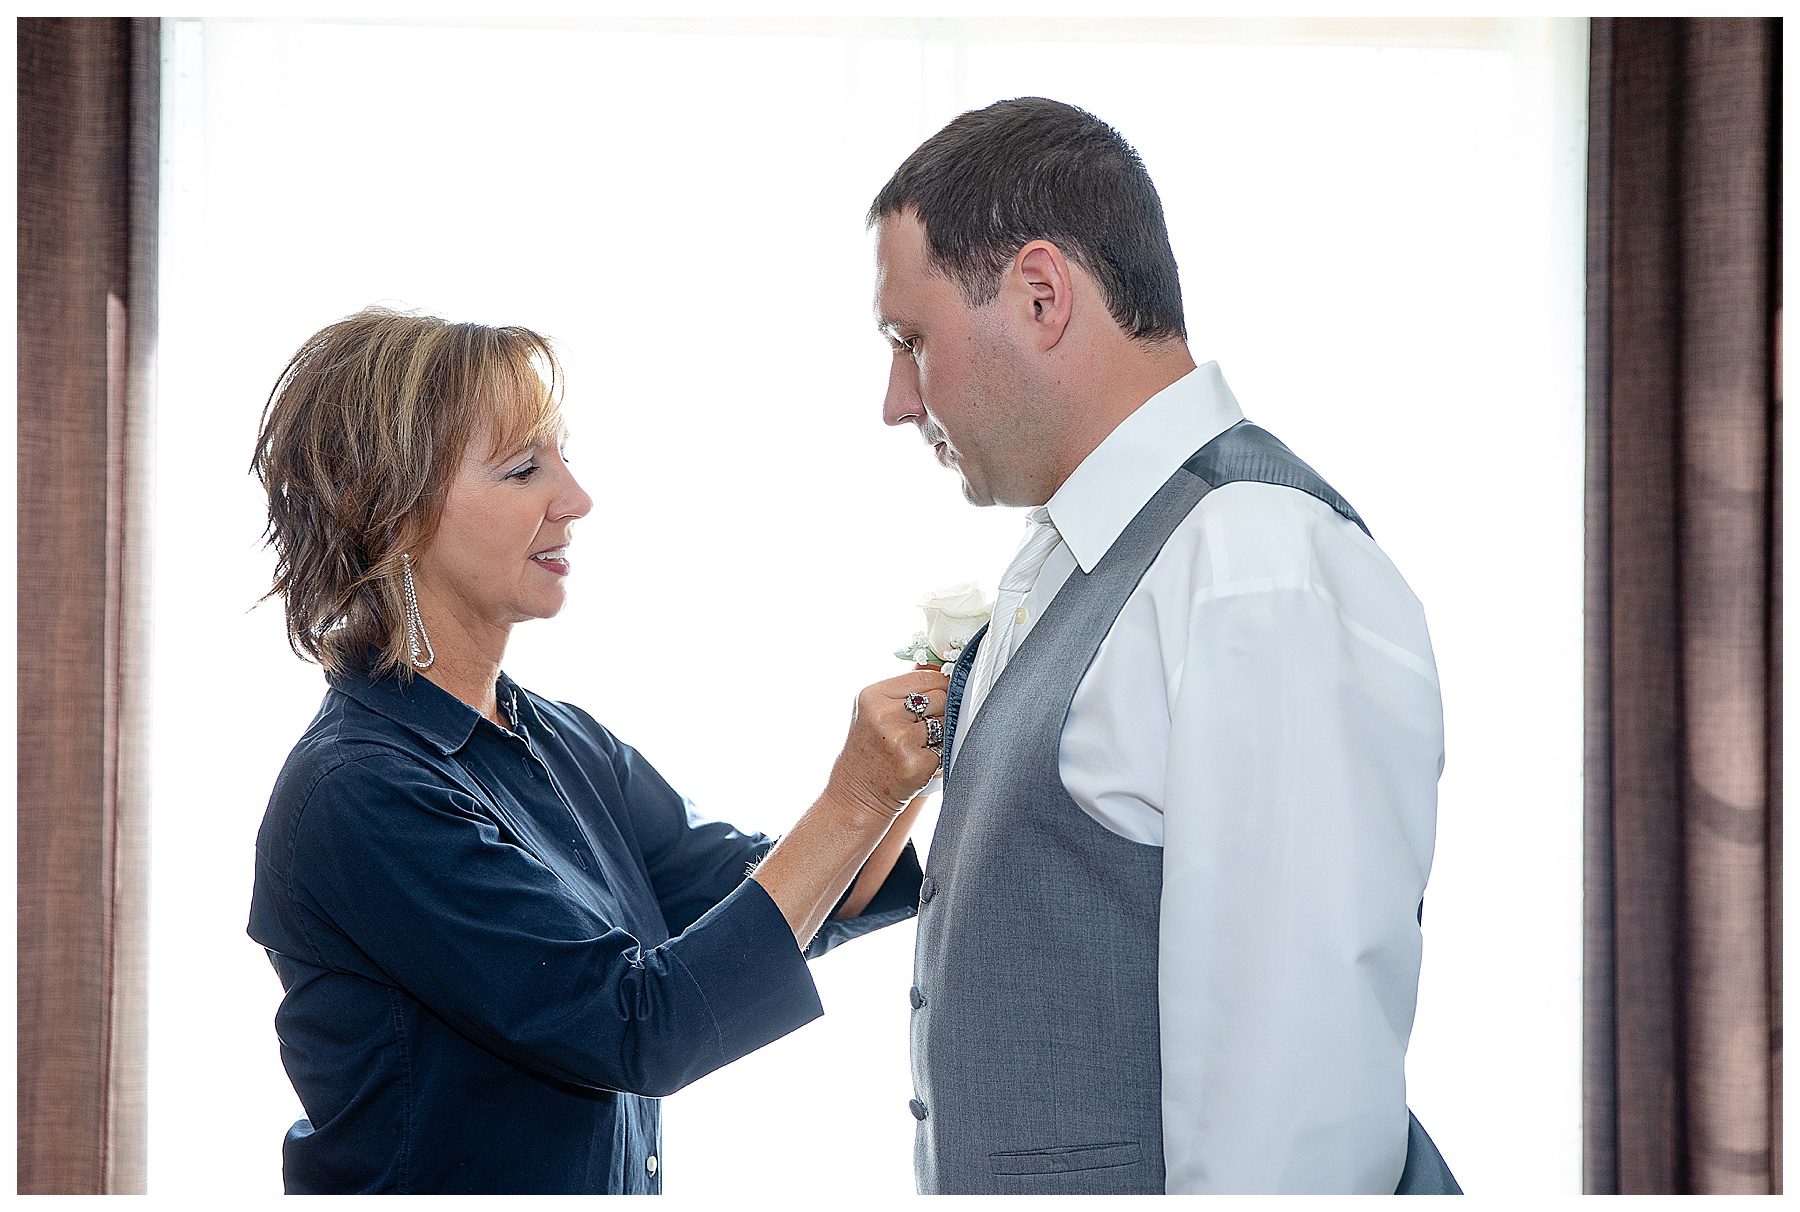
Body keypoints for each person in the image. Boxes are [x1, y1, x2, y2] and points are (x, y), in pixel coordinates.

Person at [869, 98, 1460, 1194]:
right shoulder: (1076, 557)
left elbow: (1291, 1125)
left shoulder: (1252, 568)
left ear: (1043, 297)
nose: (897, 401)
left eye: (912, 341)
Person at [246, 308, 945, 1194]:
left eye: (563, 457)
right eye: (523, 468)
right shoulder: (358, 794)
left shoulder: (559, 740)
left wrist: (907, 764)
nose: (575, 499)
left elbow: (767, 894)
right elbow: (640, 1024)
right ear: (381, 510)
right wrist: (857, 794)